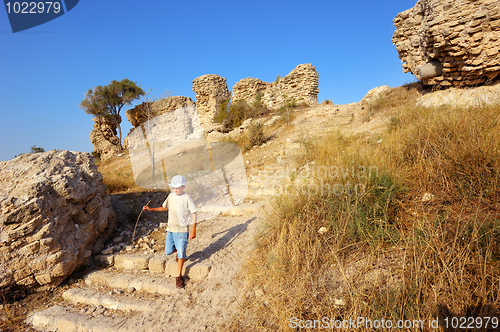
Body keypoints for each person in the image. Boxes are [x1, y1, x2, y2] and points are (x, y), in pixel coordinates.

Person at [143, 175, 197, 288]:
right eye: (173, 187)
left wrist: (193, 229)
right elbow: (165, 207)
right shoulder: (171, 196)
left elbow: (194, 212)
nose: (175, 190)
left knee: (181, 253)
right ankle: (179, 250)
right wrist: (151, 209)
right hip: (171, 229)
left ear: (183, 187)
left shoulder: (186, 198)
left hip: (182, 230)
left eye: (177, 187)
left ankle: (179, 276)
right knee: (168, 251)